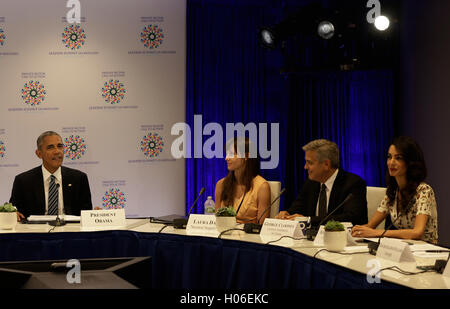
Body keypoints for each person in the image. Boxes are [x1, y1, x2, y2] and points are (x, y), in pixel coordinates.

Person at [352, 136, 438, 243]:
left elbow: (417, 232)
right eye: (389, 157)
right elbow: (370, 226)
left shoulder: (424, 191)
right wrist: (352, 232)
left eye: (398, 158)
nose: (391, 162)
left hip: (427, 251)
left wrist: (379, 233)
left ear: (410, 163)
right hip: (403, 249)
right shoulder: (392, 191)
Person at [276, 139, 368, 226]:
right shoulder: (311, 183)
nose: (305, 167)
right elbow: (297, 208)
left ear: (326, 164)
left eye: (310, 163)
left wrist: (309, 220)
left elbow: (351, 218)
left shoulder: (353, 183)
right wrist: (287, 214)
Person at [10, 131, 93, 220]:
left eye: (60, 146)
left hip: (70, 231)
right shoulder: (23, 181)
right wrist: (14, 214)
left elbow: (86, 213)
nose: (57, 151)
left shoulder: (79, 178)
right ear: (39, 154)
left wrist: (94, 215)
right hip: (36, 231)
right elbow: (13, 211)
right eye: (50, 147)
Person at [214, 137, 271, 224]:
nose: (226, 158)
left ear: (246, 156)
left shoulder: (262, 187)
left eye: (232, 154)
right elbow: (216, 220)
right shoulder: (221, 184)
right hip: (224, 234)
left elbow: (261, 227)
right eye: (227, 154)